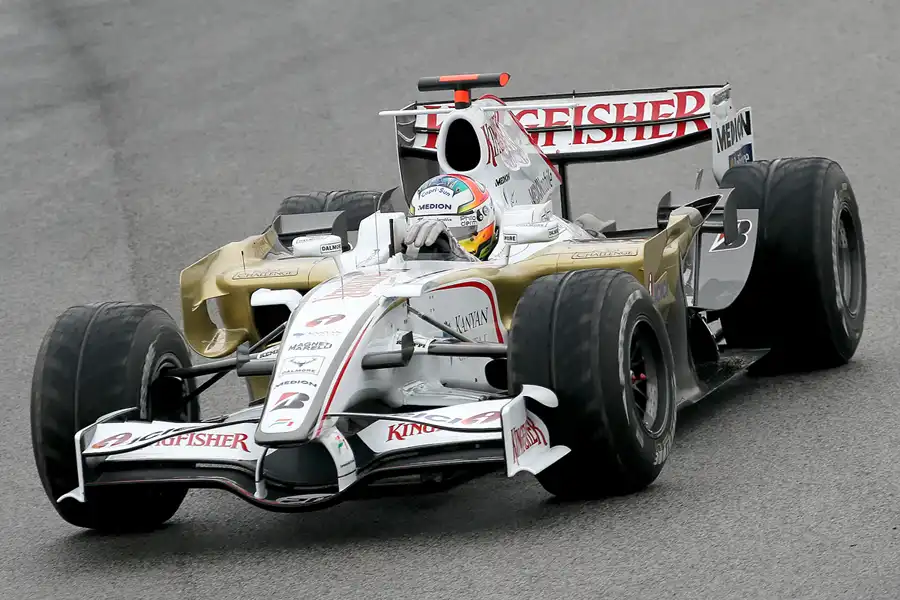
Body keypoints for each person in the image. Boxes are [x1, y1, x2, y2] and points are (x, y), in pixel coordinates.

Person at [402, 174, 499, 261]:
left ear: (484, 221)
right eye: (424, 232)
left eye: (455, 231)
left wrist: (460, 257)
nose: (438, 246)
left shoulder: (507, 257)